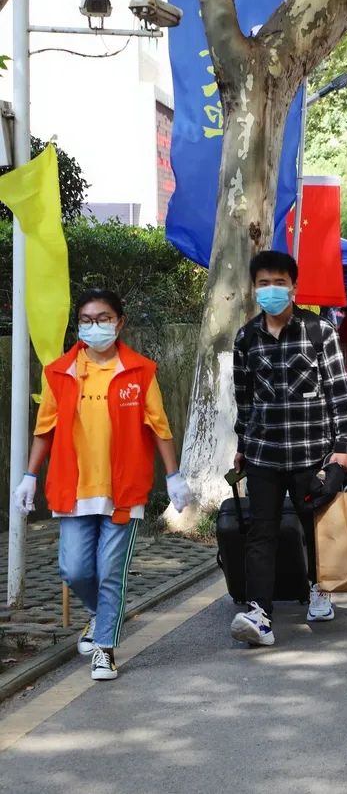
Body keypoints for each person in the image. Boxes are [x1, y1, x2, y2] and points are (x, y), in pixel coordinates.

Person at [13, 289, 191, 681]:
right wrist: (29, 476)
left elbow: (159, 427)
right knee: (74, 569)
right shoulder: (60, 373)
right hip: (72, 488)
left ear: (119, 322)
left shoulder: (140, 371)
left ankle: (105, 648)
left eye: (104, 318)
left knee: (110, 571)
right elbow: (45, 430)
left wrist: (173, 475)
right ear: (78, 325)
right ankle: (100, 614)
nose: (95, 326)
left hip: (124, 490)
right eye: (87, 320)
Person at [231, 250, 347, 647]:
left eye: (279, 283)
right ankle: (259, 612)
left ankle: (320, 587)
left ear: (293, 287)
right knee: (260, 533)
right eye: (263, 283)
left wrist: (344, 447)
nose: (271, 290)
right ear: (254, 289)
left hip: (311, 453)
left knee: (315, 527)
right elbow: (244, 401)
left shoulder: (319, 332)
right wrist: (242, 445)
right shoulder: (246, 339)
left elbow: (339, 394)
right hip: (263, 454)